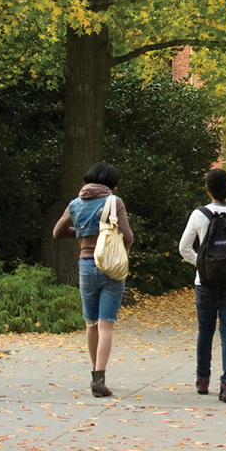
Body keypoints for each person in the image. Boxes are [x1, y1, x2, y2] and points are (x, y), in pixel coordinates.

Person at [51, 161, 134, 397]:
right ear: (111, 185)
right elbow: (127, 236)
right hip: (110, 266)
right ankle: (100, 377)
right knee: (107, 323)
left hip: (86, 265)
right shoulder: (113, 202)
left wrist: (78, 233)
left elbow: (57, 232)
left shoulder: (75, 204)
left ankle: (94, 373)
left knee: (91, 323)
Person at [178, 168, 226, 403]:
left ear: (208, 189)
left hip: (205, 282)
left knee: (205, 331)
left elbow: (184, 248)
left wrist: (202, 264)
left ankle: (202, 379)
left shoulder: (199, 215)